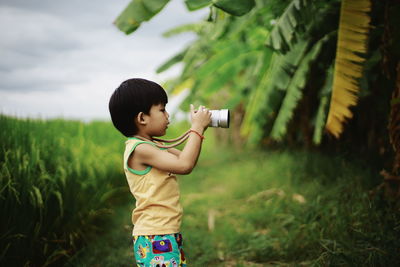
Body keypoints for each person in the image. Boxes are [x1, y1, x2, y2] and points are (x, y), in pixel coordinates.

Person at [108, 78, 211, 267]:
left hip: (163, 231)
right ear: (142, 118)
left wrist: (197, 127)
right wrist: (197, 127)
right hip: (155, 234)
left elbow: (186, 158)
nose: (168, 116)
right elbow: (184, 164)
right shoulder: (140, 149)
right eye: (162, 110)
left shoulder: (153, 144)